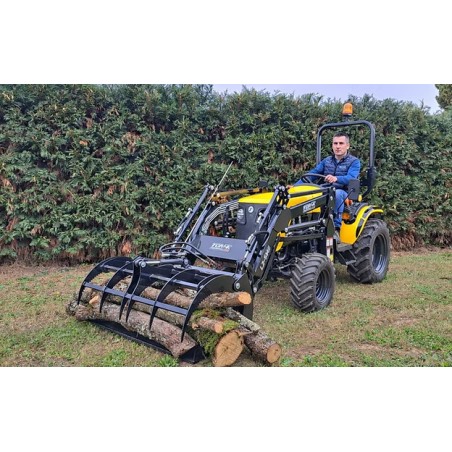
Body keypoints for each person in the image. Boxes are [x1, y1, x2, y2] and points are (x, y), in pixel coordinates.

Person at [294, 132, 361, 231]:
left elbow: (351, 177)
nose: (338, 146)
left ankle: (335, 227)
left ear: (347, 146)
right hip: (326, 189)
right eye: (335, 143)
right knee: (309, 193)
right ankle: (306, 225)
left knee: (337, 194)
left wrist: (336, 178)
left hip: (344, 192)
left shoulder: (354, 162)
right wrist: (295, 187)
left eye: (341, 143)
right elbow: (313, 173)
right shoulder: (327, 161)